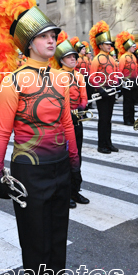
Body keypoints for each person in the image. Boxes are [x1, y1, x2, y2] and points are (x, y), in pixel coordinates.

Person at [0, 0, 81, 275]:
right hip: (29, 173)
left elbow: (66, 123)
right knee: (35, 246)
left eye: (53, 36)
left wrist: (75, 164)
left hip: (60, 168)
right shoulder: (12, 81)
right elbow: (2, 132)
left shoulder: (61, 78)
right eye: (43, 36)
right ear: (27, 44)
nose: (51, 41)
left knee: (58, 242)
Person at [51, 31, 90, 209]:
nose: (73, 59)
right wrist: (68, 112)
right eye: (69, 57)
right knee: (65, 157)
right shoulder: (56, 76)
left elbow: (84, 97)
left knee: (77, 156)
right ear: (61, 60)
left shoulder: (79, 76)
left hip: (77, 121)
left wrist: (81, 108)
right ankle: (64, 194)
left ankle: (75, 190)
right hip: (62, 124)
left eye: (74, 56)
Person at [89, 21, 120, 154]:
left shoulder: (112, 59)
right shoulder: (96, 59)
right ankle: (101, 145)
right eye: (107, 44)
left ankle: (108, 143)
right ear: (100, 45)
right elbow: (92, 78)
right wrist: (100, 90)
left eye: (110, 44)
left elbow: (115, 74)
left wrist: (118, 84)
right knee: (103, 119)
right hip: (102, 92)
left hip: (111, 91)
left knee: (108, 119)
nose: (109, 46)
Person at [116, 31, 138, 126]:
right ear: (128, 47)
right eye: (133, 46)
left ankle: (132, 118)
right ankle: (127, 119)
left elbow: (135, 70)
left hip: (134, 82)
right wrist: (120, 83)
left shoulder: (134, 57)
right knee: (127, 102)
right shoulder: (123, 57)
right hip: (126, 82)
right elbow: (120, 71)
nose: (134, 48)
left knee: (132, 101)